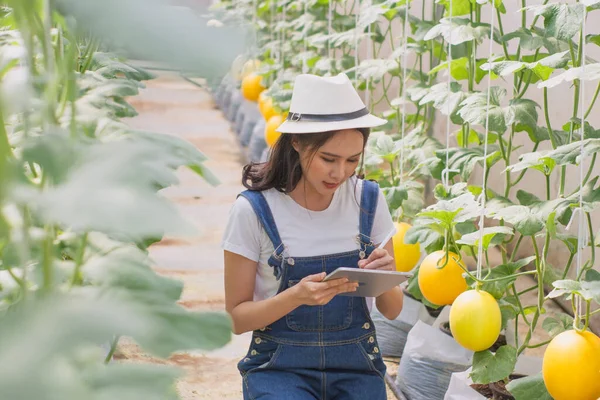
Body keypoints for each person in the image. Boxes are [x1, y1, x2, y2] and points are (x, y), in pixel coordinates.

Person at [222, 72, 404, 400]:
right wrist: (295, 297)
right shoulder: (254, 211)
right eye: (328, 159)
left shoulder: (368, 201)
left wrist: (385, 277)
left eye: (353, 160)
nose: (340, 173)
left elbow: (392, 311)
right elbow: (236, 318)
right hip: (279, 370)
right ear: (297, 142)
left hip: (356, 368)